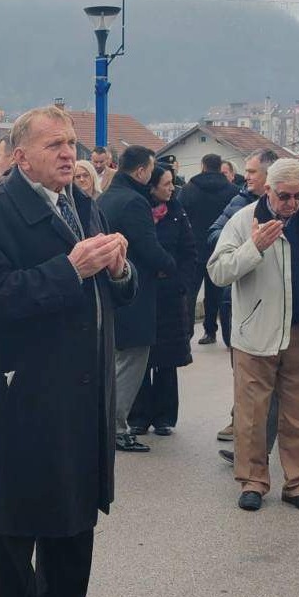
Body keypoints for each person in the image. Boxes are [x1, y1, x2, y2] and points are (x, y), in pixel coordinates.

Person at [0, 104, 134, 597]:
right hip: (23, 391)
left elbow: (113, 289)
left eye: (73, 143)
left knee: (75, 515)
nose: (69, 153)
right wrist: (69, 268)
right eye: (55, 144)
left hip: (83, 387)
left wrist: (118, 268)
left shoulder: (80, 202)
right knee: (17, 521)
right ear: (18, 155)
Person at [209, 159, 299, 513]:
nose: (292, 203)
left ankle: (298, 485)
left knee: (298, 413)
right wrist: (253, 247)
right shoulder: (244, 220)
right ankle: (253, 481)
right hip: (256, 333)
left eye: (298, 195)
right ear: (268, 190)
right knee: (252, 415)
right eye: (285, 196)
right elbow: (218, 271)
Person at [99, 146, 179, 453]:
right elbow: (148, 247)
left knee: (117, 362)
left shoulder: (106, 197)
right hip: (135, 294)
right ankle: (116, 427)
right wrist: (171, 267)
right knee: (132, 363)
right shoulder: (134, 202)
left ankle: (110, 424)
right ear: (142, 171)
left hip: (112, 294)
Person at [206, 149, 279, 441]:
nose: (244, 177)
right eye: (246, 172)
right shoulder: (240, 203)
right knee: (244, 368)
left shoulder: (298, 204)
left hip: (280, 304)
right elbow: (214, 236)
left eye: (251, 172)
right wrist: (246, 242)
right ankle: (243, 427)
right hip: (241, 298)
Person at [128, 167, 199, 436]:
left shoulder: (177, 213)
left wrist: (180, 282)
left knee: (167, 360)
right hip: (143, 293)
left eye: (172, 184)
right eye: (166, 184)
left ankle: (165, 417)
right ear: (152, 186)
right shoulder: (137, 211)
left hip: (170, 296)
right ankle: (138, 416)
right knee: (142, 356)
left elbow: (189, 252)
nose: (171, 189)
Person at [180, 153, 238, 344]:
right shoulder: (232, 191)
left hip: (193, 249)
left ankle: (186, 333)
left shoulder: (188, 190)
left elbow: (179, 217)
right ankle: (212, 331)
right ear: (219, 166)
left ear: (203, 166)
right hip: (220, 247)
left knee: (189, 293)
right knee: (216, 294)